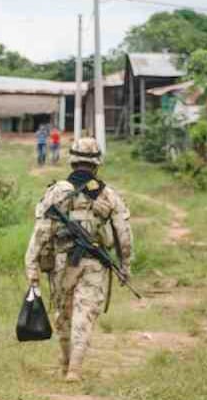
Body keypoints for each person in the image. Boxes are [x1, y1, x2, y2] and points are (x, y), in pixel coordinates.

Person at [24, 136, 133, 382]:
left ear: (72, 162)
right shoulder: (108, 195)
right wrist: (125, 266)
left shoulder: (56, 193)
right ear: (97, 164)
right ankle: (75, 369)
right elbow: (124, 236)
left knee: (64, 314)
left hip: (63, 262)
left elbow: (41, 233)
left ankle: (66, 364)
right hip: (95, 264)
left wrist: (31, 268)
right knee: (85, 314)